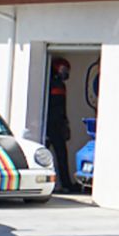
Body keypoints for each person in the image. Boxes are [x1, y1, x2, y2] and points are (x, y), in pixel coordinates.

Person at [45, 57, 75, 193]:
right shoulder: (49, 83)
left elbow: (63, 107)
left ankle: (66, 183)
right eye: (63, 69)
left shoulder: (61, 85)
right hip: (48, 124)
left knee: (62, 155)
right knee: (44, 157)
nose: (66, 73)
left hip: (58, 124)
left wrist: (65, 122)